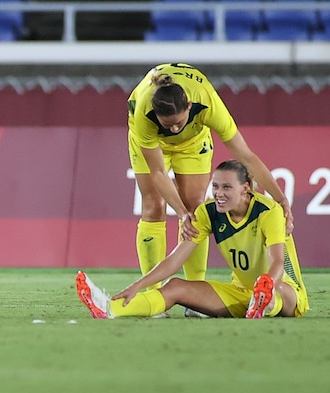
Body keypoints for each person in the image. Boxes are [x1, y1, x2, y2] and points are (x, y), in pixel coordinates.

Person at [126, 63, 293, 293]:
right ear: (156, 115)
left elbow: (246, 156)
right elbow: (158, 173)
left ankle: (194, 291)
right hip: (150, 144)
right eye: (168, 124)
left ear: (190, 107)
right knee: (154, 206)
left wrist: (281, 198)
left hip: (193, 143)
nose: (174, 129)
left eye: (179, 122)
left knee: (196, 209)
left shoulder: (207, 102)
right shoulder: (144, 113)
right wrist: (180, 213)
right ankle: (151, 293)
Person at [77, 160, 309, 319]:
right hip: (242, 292)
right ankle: (109, 308)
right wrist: (139, 284)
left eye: (227, 187)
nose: (219, 193)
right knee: (175, 287)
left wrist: (265, 285)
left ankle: (264, 303)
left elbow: (277, 261)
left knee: (274, 286)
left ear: (245, 189)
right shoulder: (208, 212)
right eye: (216, 186)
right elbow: (175, 260)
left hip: (287, 293)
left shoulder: (268, 211)